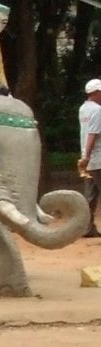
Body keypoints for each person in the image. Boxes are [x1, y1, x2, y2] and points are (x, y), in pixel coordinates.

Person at [78, 78, 101, 238]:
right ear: (97, 92)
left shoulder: (83, 109)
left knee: (90, 195)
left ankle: (87, 228)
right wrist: (87, 156)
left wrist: (84, 158)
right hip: (98, 158)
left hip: (87, 159)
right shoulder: (97, 111)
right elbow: (92, 135)